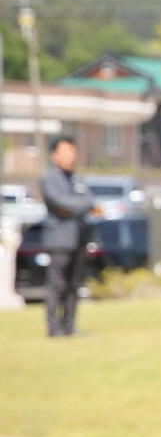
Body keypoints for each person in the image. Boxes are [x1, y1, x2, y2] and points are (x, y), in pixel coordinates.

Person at [38, 135, 97, 337]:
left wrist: (75, 206)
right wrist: (78, 205)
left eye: (72, 152)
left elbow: (89, 201)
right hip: (59, 241)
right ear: (54, 156)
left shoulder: (77, 179)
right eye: (65, 152)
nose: (70, 156)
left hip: (78, 238)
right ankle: (54, 328)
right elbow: (60, 203)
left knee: (74, 285)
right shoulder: (49, 179)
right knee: (57, 285)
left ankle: (70, 326)